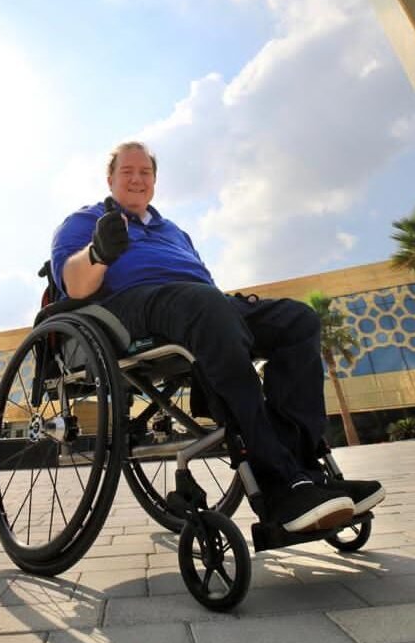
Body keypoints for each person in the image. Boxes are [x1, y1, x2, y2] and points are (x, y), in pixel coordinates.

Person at [51, 141, 385, 533]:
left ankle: (308, 471)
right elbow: (73, 283)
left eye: (145, 172)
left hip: (203, 304)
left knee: (299, 320)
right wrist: (98, 252)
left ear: (155, 180)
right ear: (110, 179)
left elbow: (206, 286)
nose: (137, 179)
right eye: (127, 172)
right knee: (206, 306)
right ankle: (279, 487)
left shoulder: (173, 230)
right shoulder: (84, 221)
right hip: (132, 309)